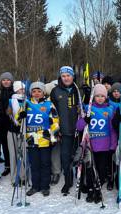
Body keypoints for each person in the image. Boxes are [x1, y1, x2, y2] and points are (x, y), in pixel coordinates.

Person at [77, 84, 117, 203]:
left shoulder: (110, 109)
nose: (99, 98)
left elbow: (113, 130)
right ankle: (90, 189)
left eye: (102, 96)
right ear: (93, 97)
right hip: (90, 146)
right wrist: (85, 120)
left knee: (101, 170)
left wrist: (112, 145)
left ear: (106, 97)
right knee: (89, 169)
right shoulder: (88, 108)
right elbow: (78, 127)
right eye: (97, 96)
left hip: (104, 146)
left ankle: (98, 189)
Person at [19, 82, 59, 197]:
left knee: (45, 164)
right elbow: (18, 120)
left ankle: (45, 186)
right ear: (30, 92)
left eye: (39, 91)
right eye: (34, 91)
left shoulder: (49, 104)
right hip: (31, 140)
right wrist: (20, 116)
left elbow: (55, 121)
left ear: (43, 92)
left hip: (45, 140)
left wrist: (54, 137)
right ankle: (35, 186)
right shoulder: (26, 104)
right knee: (34, 164)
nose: (36, 93)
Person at [50, 66, 80, 195]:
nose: (66, 78)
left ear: (73, 76)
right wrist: (56, 130)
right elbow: (52, 113)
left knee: (80, 156)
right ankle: (68, 181)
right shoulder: (55, 91)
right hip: (64, 131)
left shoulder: (78, 90)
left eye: (68, 75)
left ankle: (82, 180)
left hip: (79, 131)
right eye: (63, 76)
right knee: (65, 158)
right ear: (60, 77)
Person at [7, 81, 26, 185]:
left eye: (23, 89)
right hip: (12, 130)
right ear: (15, 90)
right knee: (13, 154)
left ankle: (23, 176)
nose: (22, 91)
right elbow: (7, 112)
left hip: (23, 130)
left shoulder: (27, 100)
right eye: (20, 89)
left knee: (23, 154)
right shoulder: (11, 100)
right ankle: (14, 177)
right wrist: (9, 112)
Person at [0, 72, 14, 176]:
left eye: (8, 80)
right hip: (2, 124)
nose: (6, 81)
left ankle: (15, 164)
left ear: (11, 81)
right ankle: (8, 166)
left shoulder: (15, 92)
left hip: (13, 123)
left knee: (13, 146)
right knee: (5, 146)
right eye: (3, 80)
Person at [45, 81, 61, 185]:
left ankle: (56, 171)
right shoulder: (45, 100)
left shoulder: (59, 98)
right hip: (44, 128)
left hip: (56, 127)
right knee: (46, 150)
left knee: (56, 150)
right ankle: (48, 170)